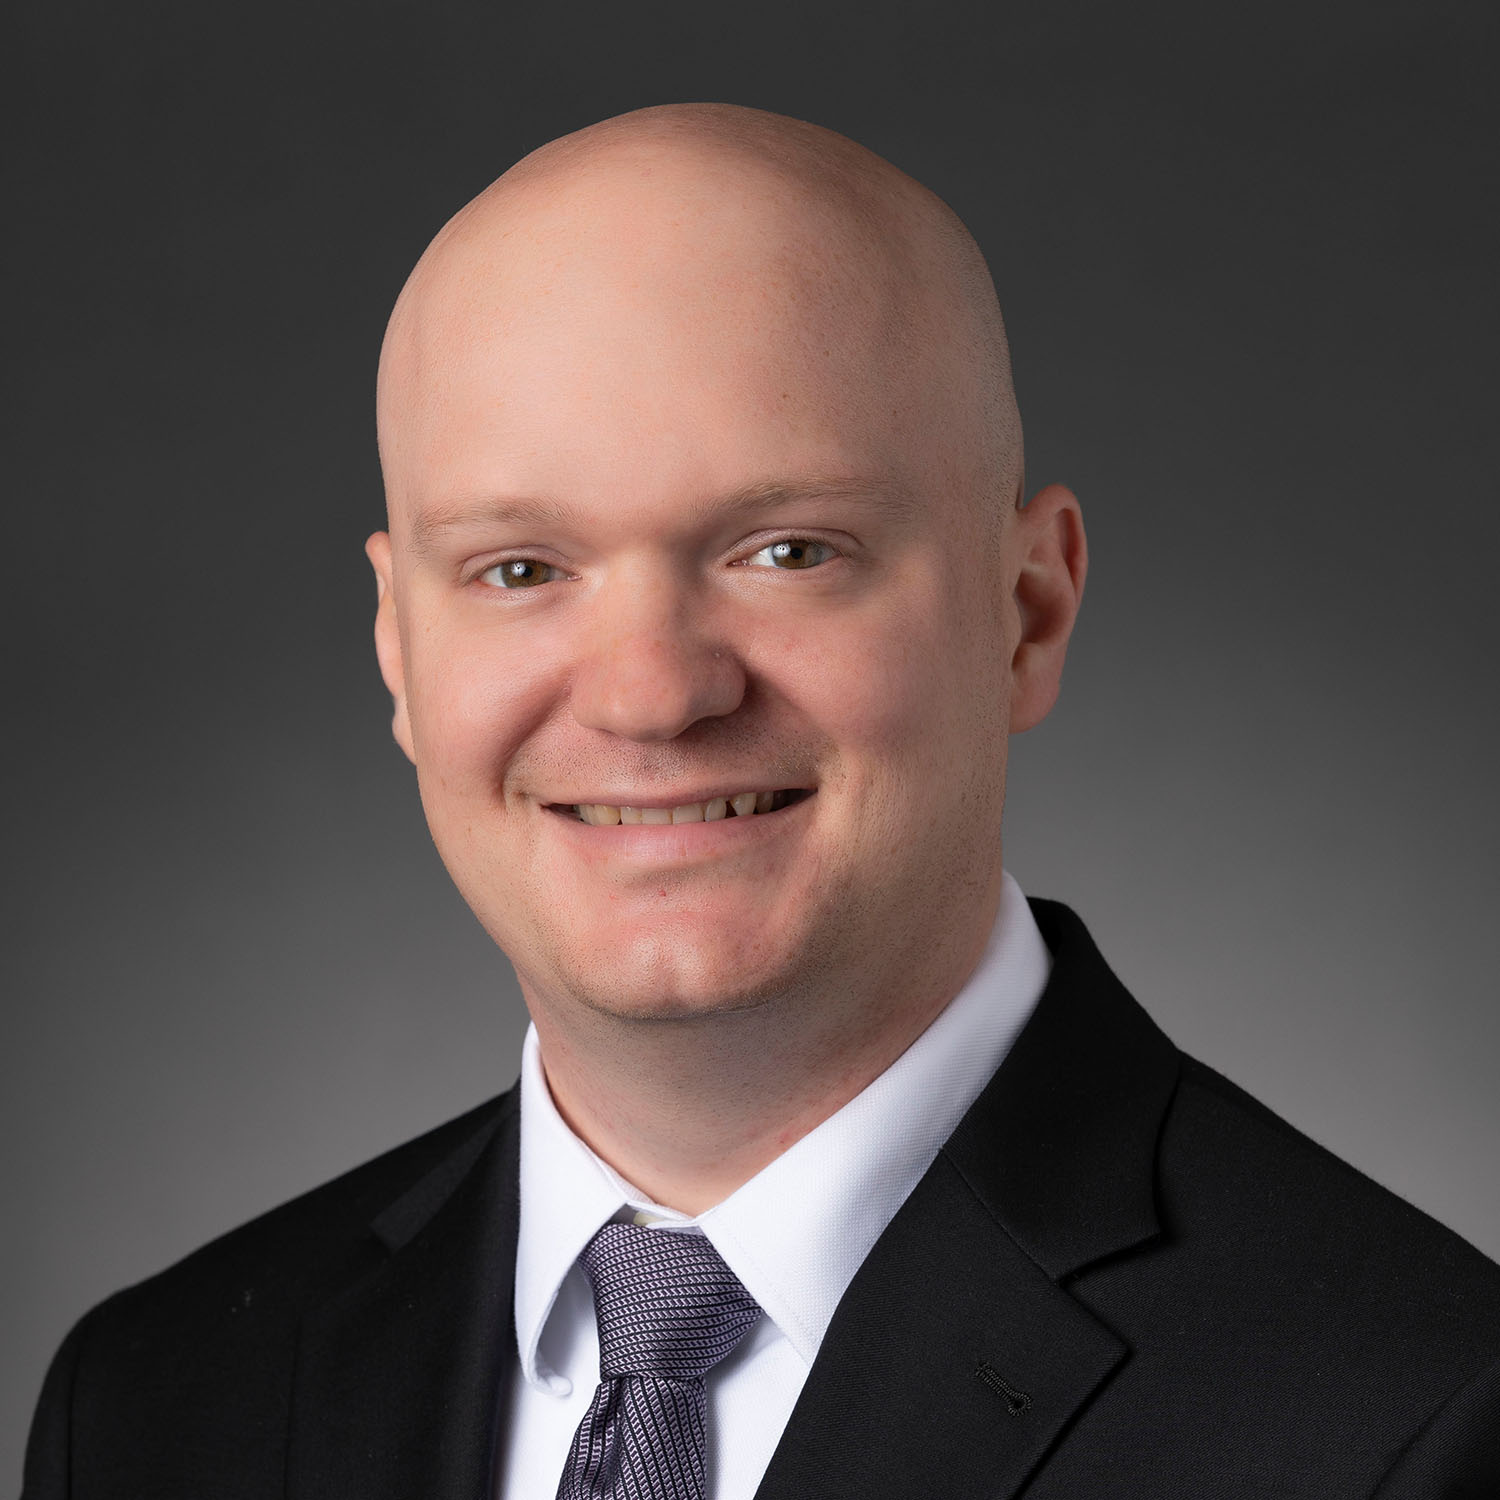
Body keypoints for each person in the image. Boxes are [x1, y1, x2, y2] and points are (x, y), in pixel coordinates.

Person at [22, 103, 1500, 1500]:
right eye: (521, 570)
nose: (652, 694)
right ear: (403, 653)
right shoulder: (158, 1403)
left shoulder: (1417, 1423)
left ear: (1027, 612)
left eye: (789, 550)